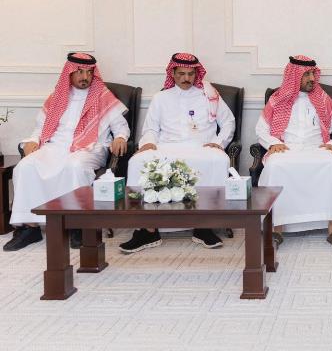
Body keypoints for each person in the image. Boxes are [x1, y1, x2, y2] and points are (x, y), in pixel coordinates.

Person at [4, 53, 129, 252]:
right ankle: (30, 227)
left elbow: (120, 126)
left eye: (89, 72)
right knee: (25, 167)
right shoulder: (57, 97)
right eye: (79, 72)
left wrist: (120, 137)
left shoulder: (102, 96)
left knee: (74, 166)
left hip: (90, 147)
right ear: (69, 73)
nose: (85, 77)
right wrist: (33, 141)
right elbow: (40, 128)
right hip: (55, 146)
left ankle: (79, 226)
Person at [119, 53, 235, 253]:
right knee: (137, 161)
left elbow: (228, 122)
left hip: (202, 147)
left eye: (190, 74)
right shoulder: (161, 98)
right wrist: (148, 143)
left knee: (219, 160)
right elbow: (151, 128)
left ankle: (204, 226)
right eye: (181, 73)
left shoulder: (209, 95)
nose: (186, 78)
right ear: (172, 73)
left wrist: (218, 142)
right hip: (166, 146)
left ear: (196, 74)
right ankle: (147, 229)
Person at [255, 55, 332, 251]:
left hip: (317, 148)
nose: (312, 79)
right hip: (286, 148)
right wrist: (273, 143)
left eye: (313, 74)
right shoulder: (277, 100)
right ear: (293, 76)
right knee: (275, 165)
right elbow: (261, 129)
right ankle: (277, 228)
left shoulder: (323, 99)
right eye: (306, 74)